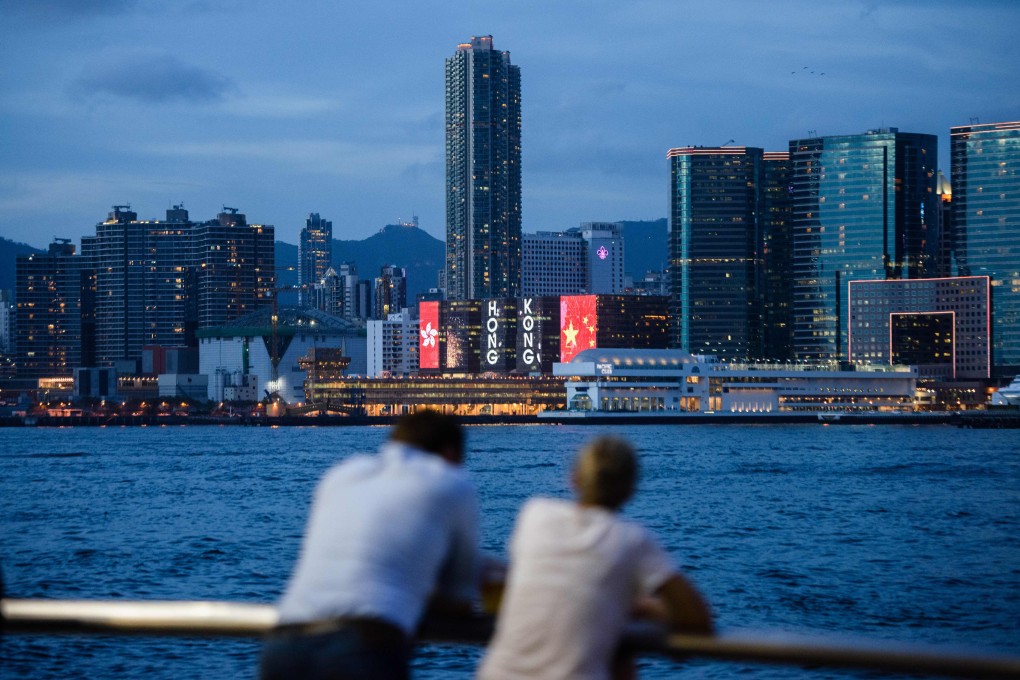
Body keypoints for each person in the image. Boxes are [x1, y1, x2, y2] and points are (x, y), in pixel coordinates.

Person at [260, 410, 481, 680]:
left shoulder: (342, 474)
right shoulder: (452, 483)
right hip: (364, 647)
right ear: (450, 453)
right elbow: (460, 599)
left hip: (284, 644)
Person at [477, 435, 714, 680]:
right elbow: (697, 618)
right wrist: (645, 607)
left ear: (574, 479)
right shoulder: (632, 540)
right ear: (631, 489)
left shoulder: (534, 514)